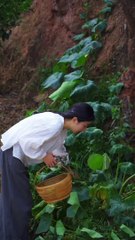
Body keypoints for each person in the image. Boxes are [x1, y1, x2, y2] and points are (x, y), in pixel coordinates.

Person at [0, 102, 95, 240]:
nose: (84, 129)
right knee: (19, 203)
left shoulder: (60, 129)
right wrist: (44, 156)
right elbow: (27, 141)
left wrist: (68, 167)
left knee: (13, 199)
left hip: (14, 156)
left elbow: (58, 150)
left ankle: (6, 235)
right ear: (75, 119)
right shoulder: (54, 124)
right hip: (13, 155)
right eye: (84, 125)